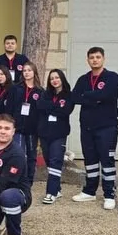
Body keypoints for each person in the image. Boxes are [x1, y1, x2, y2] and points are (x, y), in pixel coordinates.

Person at [71, 47, 118, 210]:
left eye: (98, 57)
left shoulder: (112, 77)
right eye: (91, 57)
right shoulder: (83, 79)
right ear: (88, 60)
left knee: (107, 161)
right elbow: (74, 97)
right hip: (87, 127)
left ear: (103, 59)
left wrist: (87, 96)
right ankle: (89, 191)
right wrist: (95, 97)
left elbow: (108, 95)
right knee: (90, 160)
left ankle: (109, 194)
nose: (95, 60)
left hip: (106, 127)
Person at [36, 69, 75, 204]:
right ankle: (57, 189)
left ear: (62, 79)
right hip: (44, 133)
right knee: (49, 161)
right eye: (52, 78)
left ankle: (51, 192)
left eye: (57, 77)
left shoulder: (69, 95)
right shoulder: (45, 94)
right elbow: (39, 105)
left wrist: (50, 107)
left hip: (59, 134)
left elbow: (65, 111)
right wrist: (54, 106)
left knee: (55, 161)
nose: (54, 80)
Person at [7, 62, 45, 184]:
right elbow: (10, 107)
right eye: (24, 70)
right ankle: (18, 179)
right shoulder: (15, 88)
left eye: (29, 70)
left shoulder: (40, 91)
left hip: (32, 129)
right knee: (19, 154)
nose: (27, 73)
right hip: (17, 128)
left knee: (31, 155)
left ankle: (29, 180)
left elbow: (41, 112)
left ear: (34, 72)